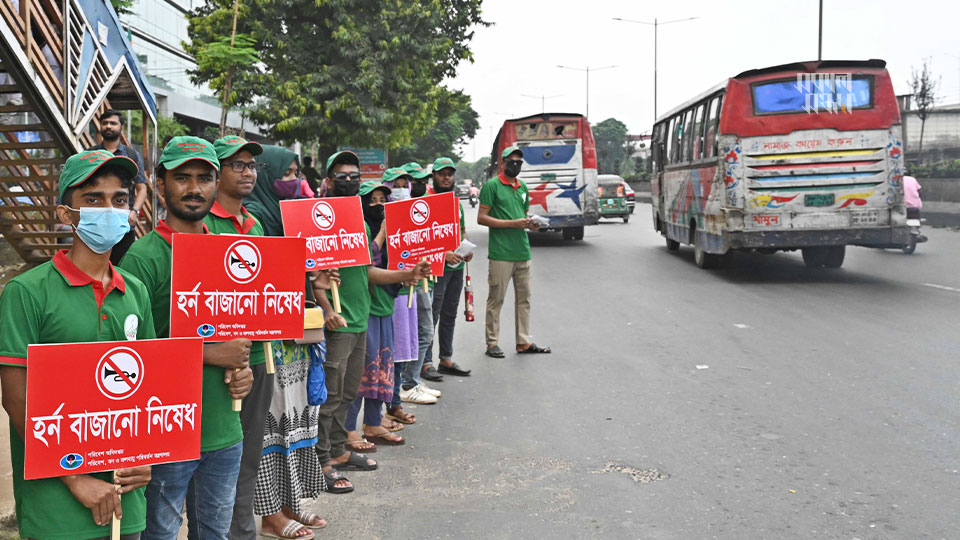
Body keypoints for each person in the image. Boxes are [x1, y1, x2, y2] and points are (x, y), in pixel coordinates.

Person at [0, 150, 154, 540]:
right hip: (56, 509)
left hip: (126, 501)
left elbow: (151, 386)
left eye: (119, 199)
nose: (109, 209)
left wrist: (146, 459)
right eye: (93, 199)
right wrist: (75, 478)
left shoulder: (135, 291)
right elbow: (18, 399)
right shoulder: (26, 292)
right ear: (66, 214)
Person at [119, 136, 254, 540]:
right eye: (182, 177)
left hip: (225, 430)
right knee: (158, 534)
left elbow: (237, 334)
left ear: (216, 184)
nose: (194, 188)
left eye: (204, 177)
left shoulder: (232, 251)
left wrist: (242, 370)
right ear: (160, 186)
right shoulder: (143, 259)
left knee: (214, 533)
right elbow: (129, 357)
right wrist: (212, 355)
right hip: (165, 433)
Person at [312, 151, 430, 494]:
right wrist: (325, 306)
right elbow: (310, 274)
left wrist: (406, 273)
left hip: (359, 319)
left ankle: (338, 450)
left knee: (349, 393)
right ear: (329, 179)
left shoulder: (360, 224)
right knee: (330, 396)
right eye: (342, 175)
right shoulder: (315, 218)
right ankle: (322, 462)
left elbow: (366, 272)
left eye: (355, 174)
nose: (349, 180)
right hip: (337, 324)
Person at [244, 146, 331, 539]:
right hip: (270, 337)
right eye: (287, 171)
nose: (294, 179)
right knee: (273, 423)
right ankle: (270, 514)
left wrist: (320, 277)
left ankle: (292, 501)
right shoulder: (257, 220)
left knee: (297, 419)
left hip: (298, 329)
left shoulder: (291, 215)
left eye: (297, 171)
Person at [201, 136, 273, 540]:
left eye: (252, 166)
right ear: (217, 173)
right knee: (216, 459)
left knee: (248, 457)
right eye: (238, 165)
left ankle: (241, 532)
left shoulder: (255, 224)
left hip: (258, 356)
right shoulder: (200, 224)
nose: (248, 173)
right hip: (214, 360)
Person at [344, 180, 406, 451]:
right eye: (373, 200)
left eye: (384, 199)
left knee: (381, 367)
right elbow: (367, 260)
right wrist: (381, 233)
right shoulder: (358, 229)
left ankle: (372, 423)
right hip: (364, 308)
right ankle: (348, 429)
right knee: (361, 371)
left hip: (385, 306)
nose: (380, 205)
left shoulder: (393, 232)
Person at [478, 145, 551, 358]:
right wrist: (513, 223)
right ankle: (492, 343)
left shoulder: (522, 188)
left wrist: (530, 224)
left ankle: (523, 342)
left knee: (524, 299)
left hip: (523, 251)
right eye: (512, 161)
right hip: (501, 253)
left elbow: (522, 214)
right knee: (496, 299)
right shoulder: (492, 186)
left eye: (519, 162)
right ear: (503, 163)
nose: (516, 165)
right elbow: (482, 218)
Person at [395, 162, 444, 401]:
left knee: (421, 332)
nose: (421, 185)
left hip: (429, 280)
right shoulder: (398, 212)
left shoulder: (426, 209)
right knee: (423, 332)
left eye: (425, 181)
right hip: (411, 284)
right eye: (416, 182)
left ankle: (412, 379)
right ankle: (408, 383)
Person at [423, 157, 472, 378]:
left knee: (450, 314)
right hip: (435, 270)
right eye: (442, 173)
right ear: (433, 176)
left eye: (450, 174)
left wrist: (466, 249)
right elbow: (419, 240)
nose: (446, 177)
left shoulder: (455, 201)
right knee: (430, 316)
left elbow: (462, 231)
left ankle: (446, 359)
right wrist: (443, 255)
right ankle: (425, 363)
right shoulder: (424, 202)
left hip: (456, 268)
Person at [380, 168, 422, 425]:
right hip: (387, 293)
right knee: (388, 353)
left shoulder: (410, 218)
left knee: (402, 351)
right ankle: (385, 407)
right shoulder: (378, 222)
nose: (400, 189)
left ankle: (394, 402)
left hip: (409, 290)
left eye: (403, 184)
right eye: (394, 185)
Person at [88, 109, 148, 265]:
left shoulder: (131, 155)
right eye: (105, 123)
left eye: (113, 123)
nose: (108, 126)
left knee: (123, 265)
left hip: (124, 222)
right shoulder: (90, 154)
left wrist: (134, 211)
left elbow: (142, 188)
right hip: (96, 221)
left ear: (121, 127)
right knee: (94, 265)